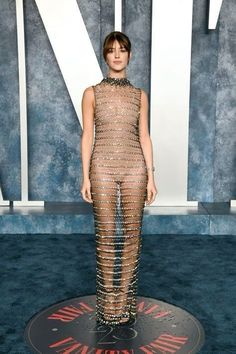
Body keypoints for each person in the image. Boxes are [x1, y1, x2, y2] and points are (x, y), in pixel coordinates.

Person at [80, 31, 157, 326]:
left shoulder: (139, 95)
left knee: (131, 235)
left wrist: (151, 176)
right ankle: (108, 300)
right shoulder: (91, 93)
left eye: (122, 50)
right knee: (106, 235)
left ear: (129, 55)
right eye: (111, 50)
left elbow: (145, 136)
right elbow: (88, 135)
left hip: (135, 167)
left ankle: (124, 299)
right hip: (102, 167)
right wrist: (85, 175)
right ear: (105, 55)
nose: (116, 55)